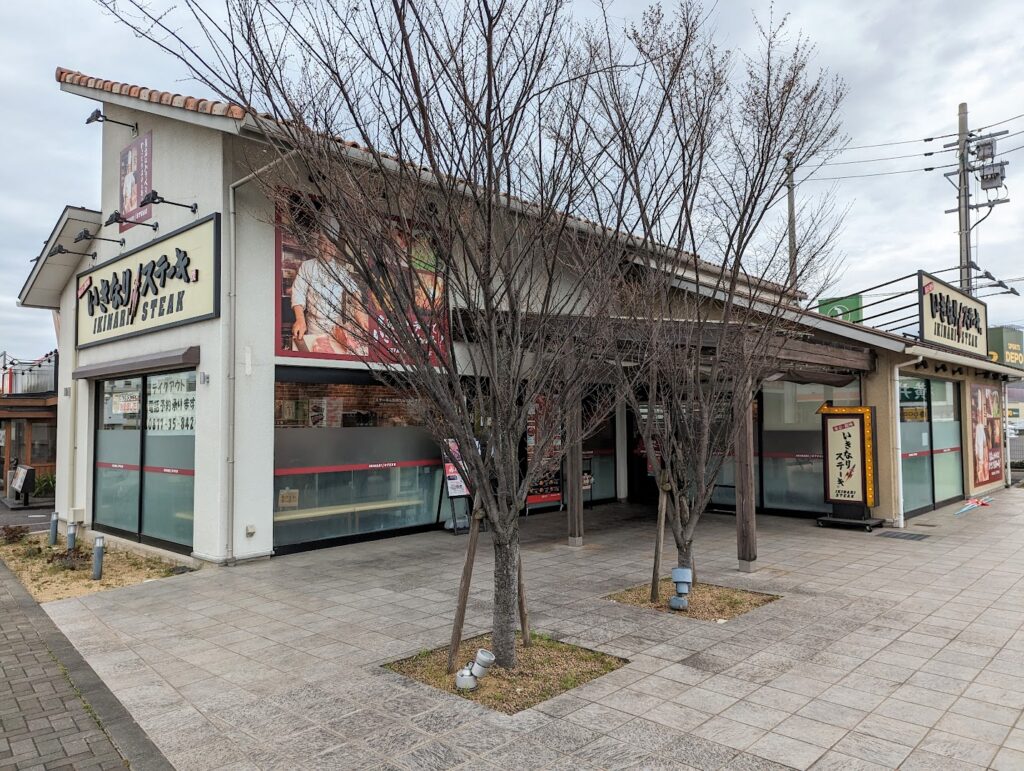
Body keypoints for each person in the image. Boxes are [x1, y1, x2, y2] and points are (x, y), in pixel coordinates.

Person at [290, 233, 368, 355]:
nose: (327, 248)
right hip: (314, 325)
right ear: (318, 244)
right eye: (323, 243)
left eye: (331, 244)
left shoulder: (340, 270)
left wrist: (358, 310)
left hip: (336, 327)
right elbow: (298, 292)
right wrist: (300, 319)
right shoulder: (307, 266)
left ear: (335, 248)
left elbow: (354, 290)